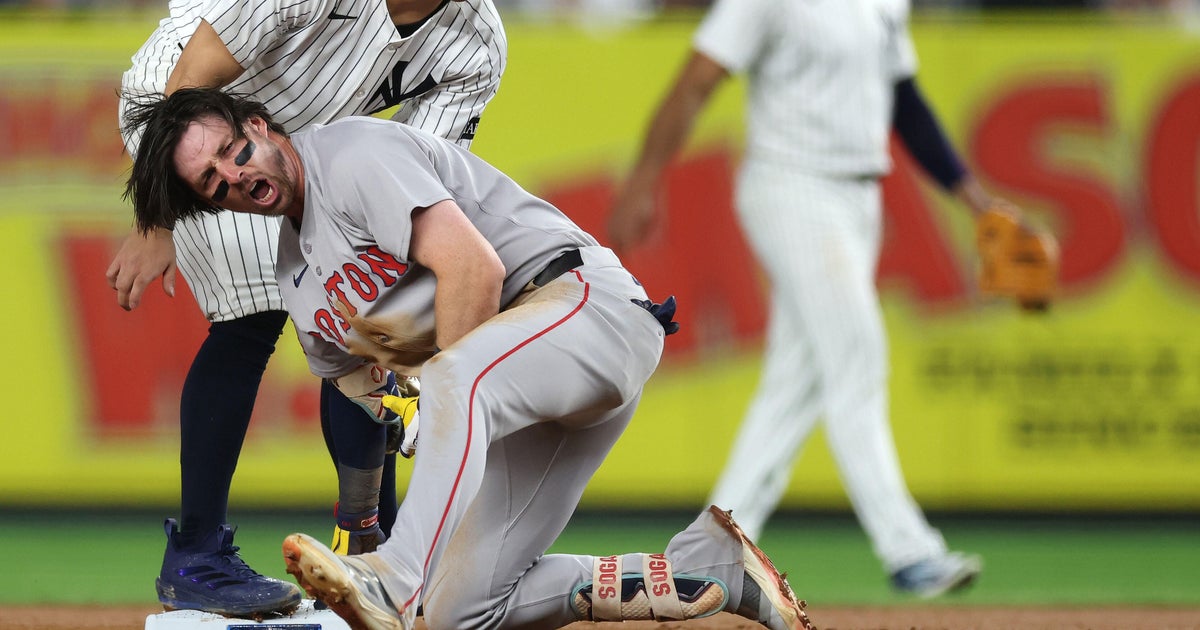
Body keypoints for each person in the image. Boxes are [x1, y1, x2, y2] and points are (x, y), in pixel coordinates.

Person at [120, 86, 817, 630]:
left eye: (232, 152)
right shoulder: (297, 272)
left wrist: (424, 396)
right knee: (459, 611)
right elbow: (359, 387)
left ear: (260, 128)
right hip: (523, 378)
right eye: (211, 183)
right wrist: (362, 523)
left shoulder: (351, 156)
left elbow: (473, 271)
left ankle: (393, 579)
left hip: (583, 304)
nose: (232, 176)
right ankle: (701, 569)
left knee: (454, 375)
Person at [107, 0, 506, 618]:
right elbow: (190, 83)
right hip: (188, 119)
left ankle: (370, 543)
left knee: (372, 310)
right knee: (254, 317)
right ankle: (196, 555)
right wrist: (159, 214)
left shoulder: (475, 44)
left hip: (295, 157)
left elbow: (411, 175)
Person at [607, 0, 988, 598]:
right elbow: (695, 82)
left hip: (859, 196)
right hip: (791, 187)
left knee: (797, 379)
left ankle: (712, 545)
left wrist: (973, 197)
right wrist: (644, 180)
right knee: (857, 359)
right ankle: (909, 550)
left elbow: (907, 103)